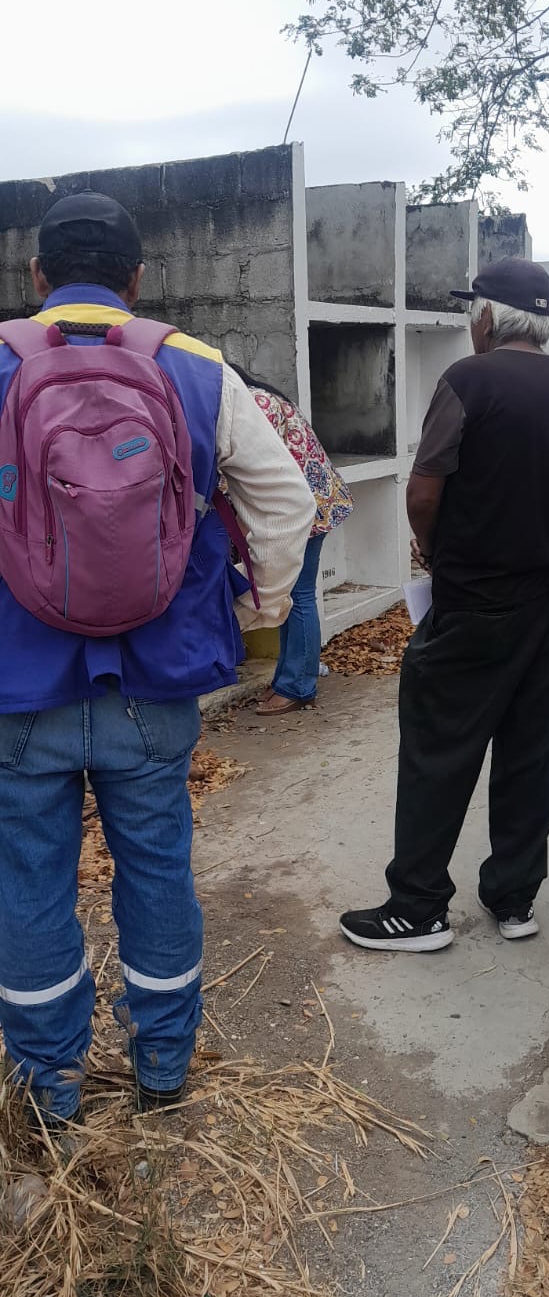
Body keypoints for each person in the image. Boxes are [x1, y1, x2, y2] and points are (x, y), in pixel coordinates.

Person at [0, 191, 315, 1123]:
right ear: (138, 281)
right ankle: (164, 1071)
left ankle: (50, 1087)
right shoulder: (196, 368)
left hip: (16, 685)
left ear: (36, 275)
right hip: (157, 677)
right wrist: (260, 612)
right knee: (157, 871)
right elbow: (286, 506)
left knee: (28, 882)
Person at [339, 257, 549, 951]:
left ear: (485, 316)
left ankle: (417, 906)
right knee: (530, 749)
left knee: (438, 747)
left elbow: (424, 490)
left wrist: (432, 550)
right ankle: (515, 898)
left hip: (479, 598)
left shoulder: (468, 379)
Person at [232, 367, 353, 714]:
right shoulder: (261, 396)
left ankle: (298, 686)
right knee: (291, 593)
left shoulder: (253, 404)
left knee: (298, 595)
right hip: (310, 503)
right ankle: (289, 679)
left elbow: (248, 467)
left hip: (302, 509)